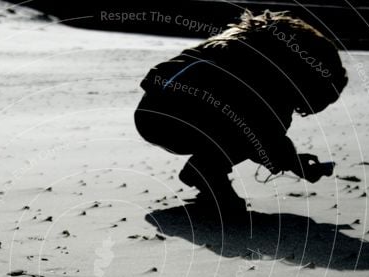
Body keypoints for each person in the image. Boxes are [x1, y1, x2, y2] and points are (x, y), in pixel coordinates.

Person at [134, 10, 348, 214]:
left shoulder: (241, 42)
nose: (306, 110)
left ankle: (205, 171)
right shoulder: (267, 78)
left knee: (249, 126)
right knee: (254, 129)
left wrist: (291, 160)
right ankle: (206, 171)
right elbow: (265, 137)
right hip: (178, 118)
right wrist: (294, 163)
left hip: (149, 112)